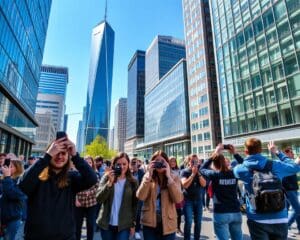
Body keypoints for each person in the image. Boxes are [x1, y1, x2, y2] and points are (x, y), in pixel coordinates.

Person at [18, 137, 98, 240]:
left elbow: (92, 179)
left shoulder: (72, 178)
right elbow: (23, 185)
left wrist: (75, 156)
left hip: (66, 236)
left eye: (64, 153)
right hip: (36, 236)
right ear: (50, 152)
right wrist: (46, 156)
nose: (60, 156)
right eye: (56, 152)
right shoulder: (37, 176)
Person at [233, 138, 300, 239]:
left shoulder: (240, 169)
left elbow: (239, 167)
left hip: (256, 218)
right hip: (279, 217)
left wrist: (235, 153)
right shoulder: (276, 165)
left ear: (246, 151)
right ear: (260, 150)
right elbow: (295, 166)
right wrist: (277, 152)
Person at [136, 150, 183, 240]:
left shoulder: (174, 176)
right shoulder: (148, 176)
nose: (159, 164)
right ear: (152, 163)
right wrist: (149, 176)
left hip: (168, 223)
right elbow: (140, 196)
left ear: (167, 163)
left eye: (162, 161)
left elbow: (178, 199)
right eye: (157, 161)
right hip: (149, 223)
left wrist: (169, 177)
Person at [200, 144, 243, 240]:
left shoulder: (214, 174)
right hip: (235, 211)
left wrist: (215, 153)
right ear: (225, 162)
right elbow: (245, 165)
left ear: (215, 164)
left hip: (221, 212)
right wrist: (235, 153)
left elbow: (202, 169)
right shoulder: (234, 172)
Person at [96, 152, 138, 240]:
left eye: (124, 164)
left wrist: (133, 224)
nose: (122, 167)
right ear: (114, 165)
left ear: (128, 164)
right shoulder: (106, 177)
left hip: (124, 225)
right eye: (118, 164)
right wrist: (109, 183)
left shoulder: (133, 182)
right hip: (107, 224)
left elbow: (135, 205)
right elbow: (99, 198)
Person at [180, 154, 206, 240]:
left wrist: (197, 173)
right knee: (189, 222)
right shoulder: (184, 171)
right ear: (188, 162)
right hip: (188, 201)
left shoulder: (200, 171)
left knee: (198, 222)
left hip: (198, 200)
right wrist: (192, 174)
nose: (194, 163)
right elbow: (184, 185)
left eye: (196, 161)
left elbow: (204, 184)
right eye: (192, 161)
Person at [1, 159, 26, 240]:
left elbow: (11, 194)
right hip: (3, 217)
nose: (8, 168)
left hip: (13, 219)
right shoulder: (6, 180)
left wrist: (7, 177)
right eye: (8, 166)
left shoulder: (21, 181)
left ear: (17, 168)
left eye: (11, 167)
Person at [75, 156, 99, 240]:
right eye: (86, 162)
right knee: (78, 225)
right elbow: (74, 188)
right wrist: (76, 199)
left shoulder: (95, 173)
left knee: (90, 225)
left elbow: (97, 187)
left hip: (91, 203)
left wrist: (90, 192)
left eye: (90, 162)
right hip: (79, 203)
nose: (88, 164)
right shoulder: (77, 173)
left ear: (92, 164)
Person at [281, 147, 300, 236]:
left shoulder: (290, 163)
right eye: (291, 152)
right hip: (289, 190)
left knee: (293, 210)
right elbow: (296, 163)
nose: (293, 154)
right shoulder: (286, 163)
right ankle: (285, 227)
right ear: (286, 154)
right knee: (297, 209)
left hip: (292, 189)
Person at [130, 158, 144, 240]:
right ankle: (130, 229)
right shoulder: (128, 173)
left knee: (138, 214)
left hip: (139, 197)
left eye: (135, 163)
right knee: (130, 214)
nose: (133, 164)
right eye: (132, 163)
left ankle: (137, 231)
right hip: (129, 197)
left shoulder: (141, 172)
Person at [169, 156, 184, 236]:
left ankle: (178, 228)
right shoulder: (167, 171)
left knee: (178, 212)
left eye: (174, 161)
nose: (173, 163)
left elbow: (180, 183)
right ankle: (172, 228)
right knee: (171, 213)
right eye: (171, 161)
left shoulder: (178, 170)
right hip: (170, 195)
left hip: (178, 193)